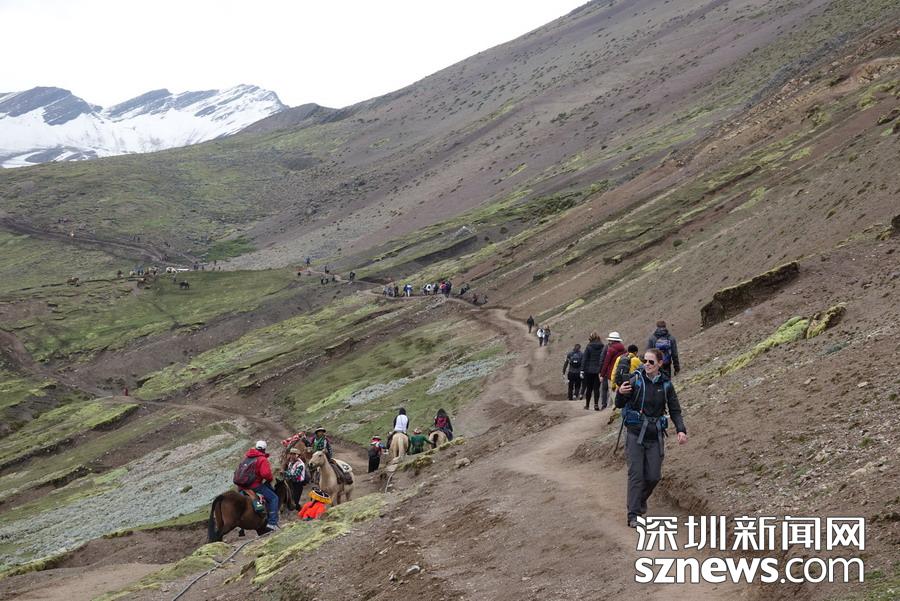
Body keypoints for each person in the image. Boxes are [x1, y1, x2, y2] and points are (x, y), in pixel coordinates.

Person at [615, 348, 687, 528]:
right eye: (644, 361)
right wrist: (620, 393)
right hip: (635, 433)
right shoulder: (635, 380)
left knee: (654, 476)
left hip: (655, 435)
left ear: (660, 364)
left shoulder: (666, 385)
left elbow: (675, 409)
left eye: (651, 362)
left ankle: (638, 501)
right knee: (636, 474)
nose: (646, 364)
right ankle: (633, 514)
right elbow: (619, 404)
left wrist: (681, 430)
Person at [241, 440, 279, 532]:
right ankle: (272, 523)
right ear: (264, 449)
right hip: (254, 485)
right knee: (274, 498)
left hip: (242, 485)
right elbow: (266, 474)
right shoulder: (262, 459)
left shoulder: (247, 457)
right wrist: (270, 478)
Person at [599, 332, 626, 410]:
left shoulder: (611, 349)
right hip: (621, 372)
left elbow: (606, 362)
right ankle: (616, 406)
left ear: (612, 340)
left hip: (611, 373)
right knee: (618, 390)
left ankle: (616, 408)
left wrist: (602, 374)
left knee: (612, 390)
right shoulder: (623, 349)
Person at [581, 332, 605, 410]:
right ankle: (596, 405)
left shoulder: (589, 346)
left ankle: (587, 405)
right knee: (596, 388)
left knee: (589, 388)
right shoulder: (602, 346)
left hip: (589, 370)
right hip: (598, 370)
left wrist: (582, 370)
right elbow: (603, 358)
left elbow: (584, 359)